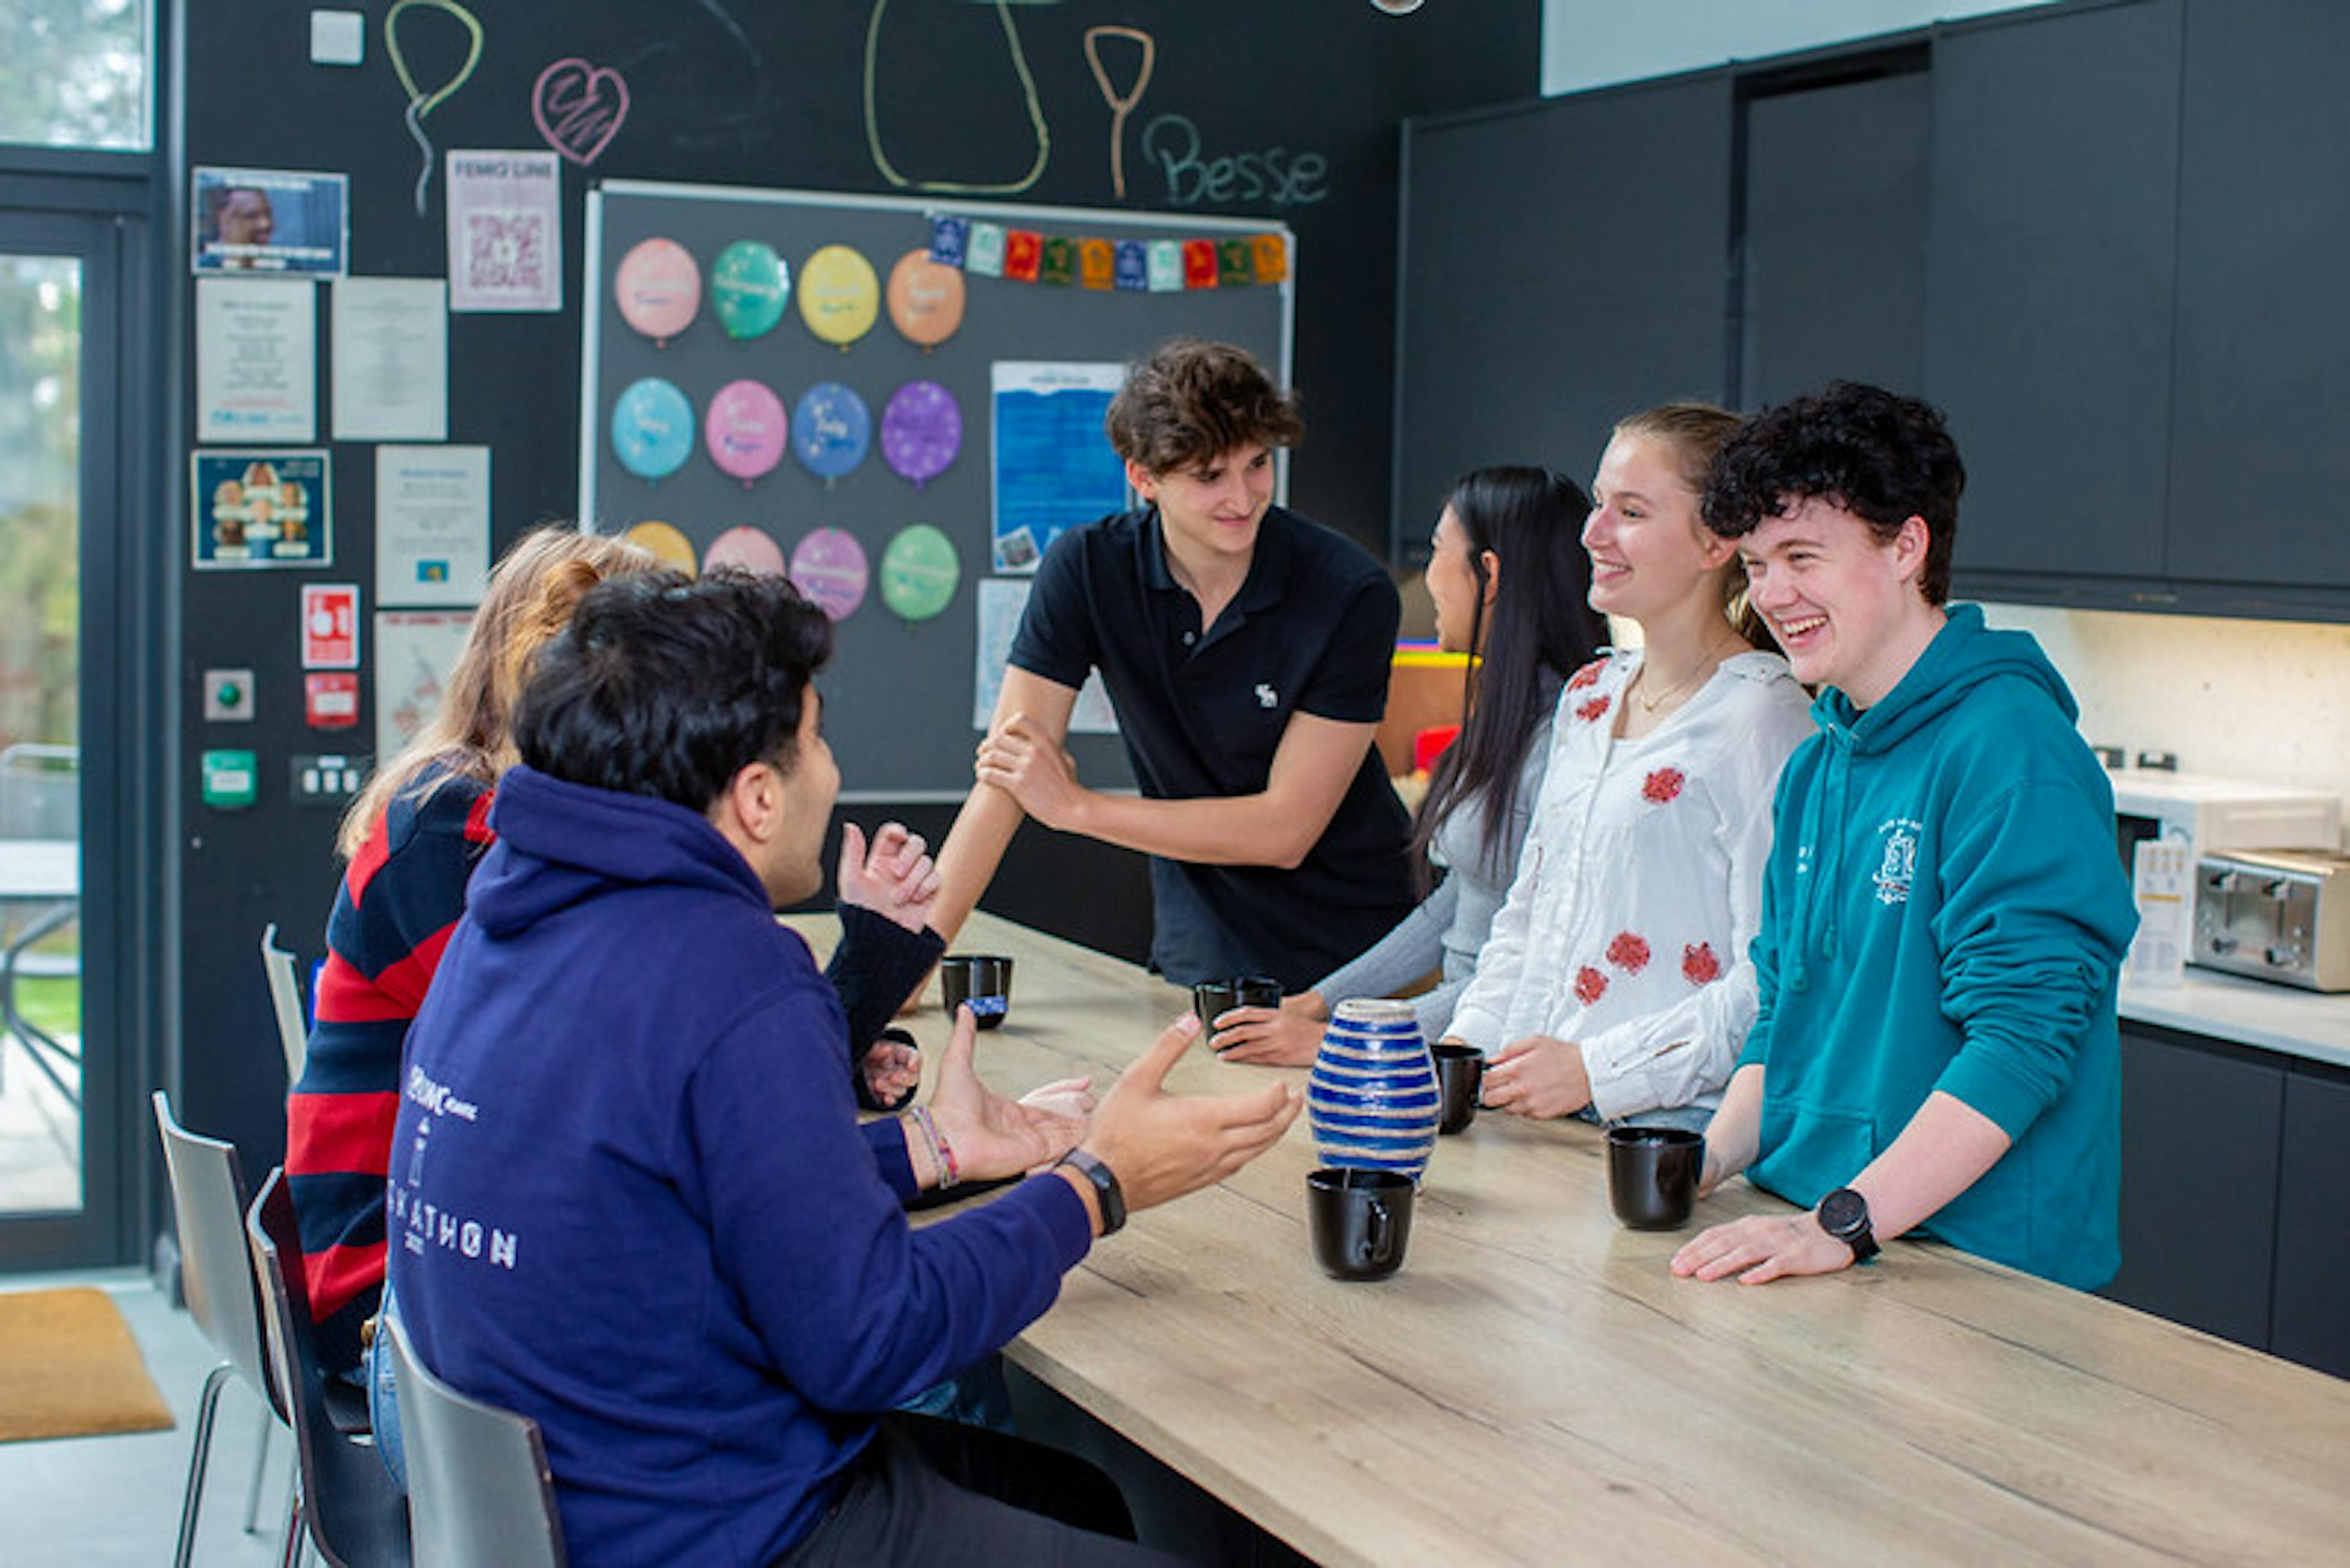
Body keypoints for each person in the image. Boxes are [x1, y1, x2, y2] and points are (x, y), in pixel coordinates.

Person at [387, 568, 1300, 1566]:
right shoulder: (725, 967)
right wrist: (1098, 1184)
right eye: (817, 739)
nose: (832, 768)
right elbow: (869, 1337)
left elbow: (671, 1184)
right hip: (715, 1529)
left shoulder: (511, 922)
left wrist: (932, 1149)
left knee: (1074, 1493)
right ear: (758, 797)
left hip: (564, 1502)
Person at [286, 527, 938, 1390]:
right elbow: (612, 1098)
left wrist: (841, 1062)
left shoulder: (468, 809)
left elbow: (625, 1092)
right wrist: (852, 1002)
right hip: (398, 1297)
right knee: (857, 1340)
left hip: (450, 1268)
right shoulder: (466, 837)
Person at [1671, 381, 2136, 1290]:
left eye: (1803, 555)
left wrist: (1842, 1223)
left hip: (1981, 1272)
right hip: (1823, 1238)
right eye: (1757, 565)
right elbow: (1785, 1008)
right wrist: (1706, 1160)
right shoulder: (1817, 764)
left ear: (1907, 547)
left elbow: (2023, 1037)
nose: (1772, 594)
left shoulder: (2011, 748)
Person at [930, 338, 1416, 992]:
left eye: (1257, 464)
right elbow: (1009, 773)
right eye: (1209, 476)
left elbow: (1284, 830)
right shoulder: (1086, 570)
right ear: (1144, 477)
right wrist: (913, 957)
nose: (1243, 498)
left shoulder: (1348, 591)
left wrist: (1076, 808)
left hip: (1356, 956)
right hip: (1202, 948)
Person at [1438, 405, 1816, 1129]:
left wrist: (1595, 1071)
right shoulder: (1589, 695)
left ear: (1714, 542)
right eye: (1600, 502)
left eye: (1631, 511)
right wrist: (1464, 1055)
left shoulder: (1763, 716)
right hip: (1532, 1117)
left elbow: (1772, 979)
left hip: (1664, 1133)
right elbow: (1527, 920)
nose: (1592, 532)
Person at [1207, 466, 1608, 1064]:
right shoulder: (1509, 721)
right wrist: (1318, 1004)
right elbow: (1456, 909)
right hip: (1451, 1047)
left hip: (1478, 1055)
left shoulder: (1561, 745)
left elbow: (1521, 976)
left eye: (1440, 550)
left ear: (1489, 574)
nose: (1431, 576)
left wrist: (1344, 1040)